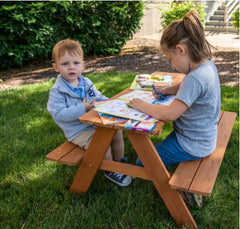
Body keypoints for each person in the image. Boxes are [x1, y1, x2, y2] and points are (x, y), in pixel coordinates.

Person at [127, 10, 221, 206]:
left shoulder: (196, 77)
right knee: (152, 152)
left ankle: (186, 192)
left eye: (170, 59)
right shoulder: (205, 66)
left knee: (143, 161)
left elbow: (170, 114)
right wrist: (169, 89)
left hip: (192, 143)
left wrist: (141, 105)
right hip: (201, 137)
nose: (172, 64)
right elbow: (186, 86)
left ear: (181, 50)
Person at [47, 38, 132, 187]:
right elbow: (59, 114)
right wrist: (83, 107)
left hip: (94, 121)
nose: (71, 68)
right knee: (100, 143)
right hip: (78, 130)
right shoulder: (58, 91)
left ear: (83, 65)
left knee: (117, 132)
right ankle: (110, 169)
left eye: (76, 63)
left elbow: (97, 97)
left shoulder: (85, 82)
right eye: (65, 64)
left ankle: (120, 163)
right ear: (56, 67)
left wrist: (110, 102)